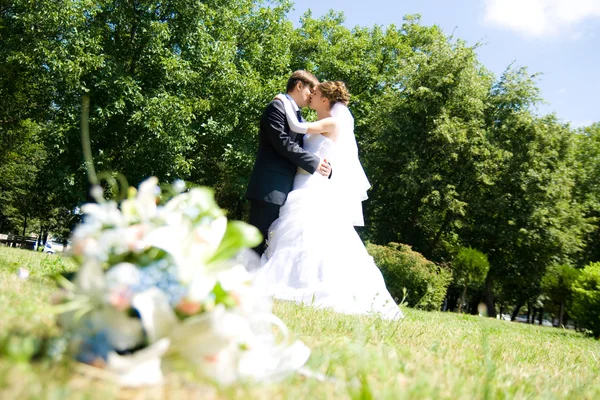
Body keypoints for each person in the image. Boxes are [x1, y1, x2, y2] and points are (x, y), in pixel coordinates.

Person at [252, 81, 403, 320]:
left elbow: (297, 127)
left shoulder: (332, 122)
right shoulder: (324, 120)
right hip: (301, 180)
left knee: (309, 232)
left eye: (316, 93)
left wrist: (281, 100)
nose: (311, 95)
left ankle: (309, 286)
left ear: (325, 100)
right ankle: (298, 280)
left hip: (313, 185)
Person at [246, 71, 332, 256]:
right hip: (269, 189)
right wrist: (314, 162)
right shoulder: (276, 106)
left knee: (271, 250)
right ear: (299, 85)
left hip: (288, 192)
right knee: (255, 248)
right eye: (310, 91)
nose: (311, 97)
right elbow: (282, 142)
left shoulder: (297, 116)